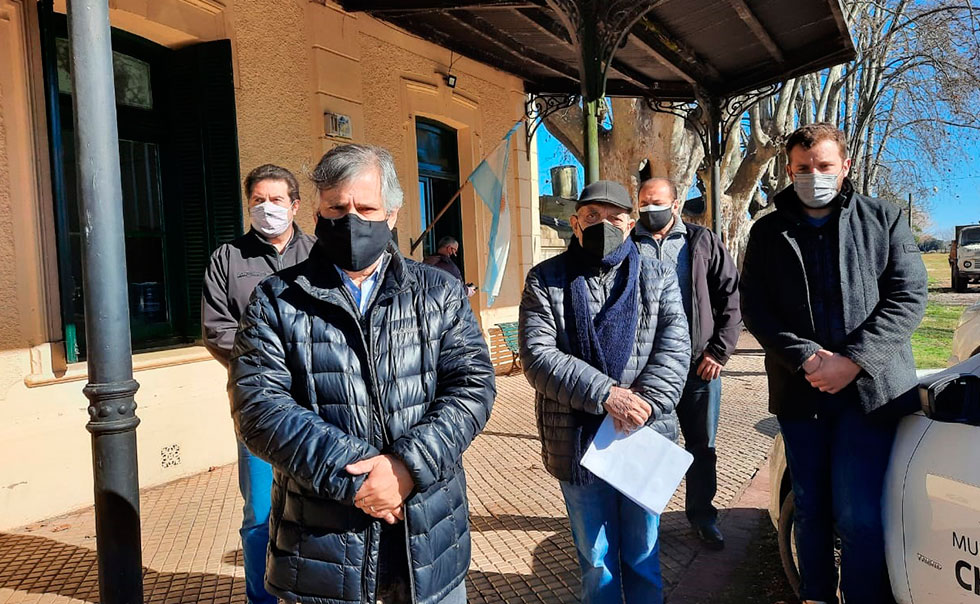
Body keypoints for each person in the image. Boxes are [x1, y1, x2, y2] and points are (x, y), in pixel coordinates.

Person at [230, 143, 496, 604]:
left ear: (392, 214)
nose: (351, 220)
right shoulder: (276, 299)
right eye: (337, 208)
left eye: (366, 208)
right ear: (317, 212)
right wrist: (361, 480)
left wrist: (406, 467)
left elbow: (472, 386)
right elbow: (258, 408)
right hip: (322, 549)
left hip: (428, 536)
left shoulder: (440, 292)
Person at [740, 123, 927, 604]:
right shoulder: (767, 231)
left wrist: (854, 361)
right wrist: (804, 356)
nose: (813, 175)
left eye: (824, 166)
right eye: (803, 168)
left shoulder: (884, 219)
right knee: (810, 508)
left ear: (845, 166)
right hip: (800, 393)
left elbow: (908, 297)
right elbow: (756, 309)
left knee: (859, 515)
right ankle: (817, 595)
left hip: (870, 396)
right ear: (789, 170)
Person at [519, 180, 690, 604]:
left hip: (641, 434)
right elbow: (538, 356)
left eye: (615, 218)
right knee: (596, 562)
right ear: (575, 224)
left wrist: (645, 402)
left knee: (643, 556)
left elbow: (675, 347)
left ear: (631, 224)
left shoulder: (657, 275)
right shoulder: (546, 279)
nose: (603, 225)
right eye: (592, 216)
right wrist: (607, 395)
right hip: (576, 440)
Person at [201, 163, 314, 604]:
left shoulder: (320, 253)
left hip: (319, 403)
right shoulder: (228, 259)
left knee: (323, 507)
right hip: (257, 405)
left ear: (295, 205)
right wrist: (271, 363)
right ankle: (260, 598)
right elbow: (217, 330)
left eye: (276, 200)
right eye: (258, 200)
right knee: (261, 514)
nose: (267, 208)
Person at [632, 178, 741, 550]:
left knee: (701, 446)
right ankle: (645, 521)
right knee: (645, 446)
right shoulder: (628, 244)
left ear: (675, 205)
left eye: (657, 202)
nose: (650, 209)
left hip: (698, 366)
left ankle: (702, 516)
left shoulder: (702, 241)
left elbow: (731, 297)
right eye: (644, 203)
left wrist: (719, 352)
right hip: (645, 370)